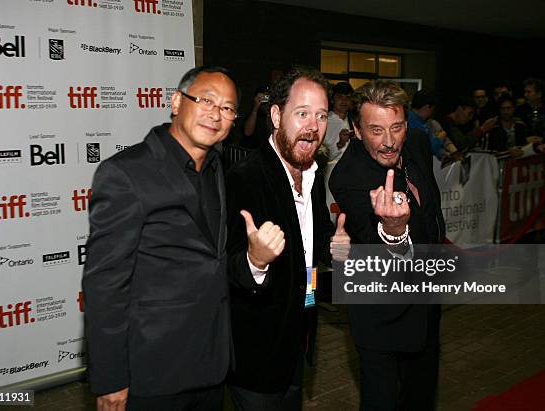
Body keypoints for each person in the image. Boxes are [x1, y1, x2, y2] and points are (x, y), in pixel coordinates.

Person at [82, 66, 239, 411]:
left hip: (210, 365)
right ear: (175, 102)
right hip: (151, 371)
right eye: (206, 100)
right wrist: (111, 379)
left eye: (227, 108)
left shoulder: (215, 170)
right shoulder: (126, 172)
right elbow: (105, 285)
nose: (216, 114)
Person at [225, 67, 351, 410]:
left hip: (299, 339)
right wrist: (255, 261)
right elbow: (226, 268)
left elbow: (308, 243)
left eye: (322, 115)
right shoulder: (245, 179)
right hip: (257, 357)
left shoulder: (311, 173)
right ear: (276, 116)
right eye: (302, 113)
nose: (313, 125)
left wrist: (332, 246)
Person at [329, 80, 445, 411]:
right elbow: (370, 238)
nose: (389, 141)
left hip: (426, 300)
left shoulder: (418, 143)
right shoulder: (347, 177)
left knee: (421, 396)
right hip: (381, 311)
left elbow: (431, 212)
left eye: (397, 127)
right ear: (356, 128)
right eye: (376, 130)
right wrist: (394, 230)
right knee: (382, 400)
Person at [321, 81, 354, 222]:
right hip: (331, 173)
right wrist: (340, 143)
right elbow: (322, 155)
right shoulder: (325, 120)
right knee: (331, 210)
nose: (344, 101)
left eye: (347, 97)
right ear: (333, 99)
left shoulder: (354, 121)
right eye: (340, 97)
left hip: (351, 174)